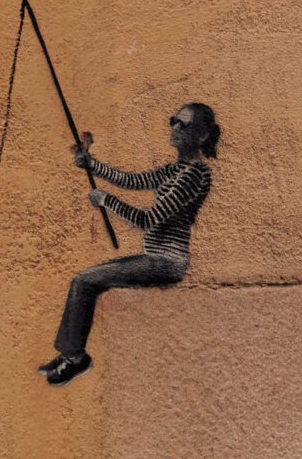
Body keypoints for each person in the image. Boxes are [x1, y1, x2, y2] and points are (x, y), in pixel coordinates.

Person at [40, 102, 219, 386]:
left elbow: (149, 220)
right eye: (173, 120)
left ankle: (75, 358)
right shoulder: (175, 170)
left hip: (166, 263)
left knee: (84, 281)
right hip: (155, 260)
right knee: (85, 280)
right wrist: (92, 164)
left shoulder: (194, 175)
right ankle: (69, 354)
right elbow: (133, 181)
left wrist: (107, 200)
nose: (174, 127)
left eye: (183, 124)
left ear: (201, 135)